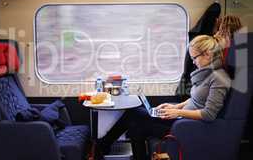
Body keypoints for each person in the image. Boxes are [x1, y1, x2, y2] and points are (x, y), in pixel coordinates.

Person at [95, 35, 231, 160]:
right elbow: (196, 99)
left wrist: (178, 112)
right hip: (182, 118)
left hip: (188, 126)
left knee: (135, 120)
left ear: (207, 54)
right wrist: (176, 106)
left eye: (195, 58)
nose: (194, 62)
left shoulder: (219, 79)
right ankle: (103, 145)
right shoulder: (207, 74)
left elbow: (209, 114)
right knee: (135, 118)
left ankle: (103, 145)